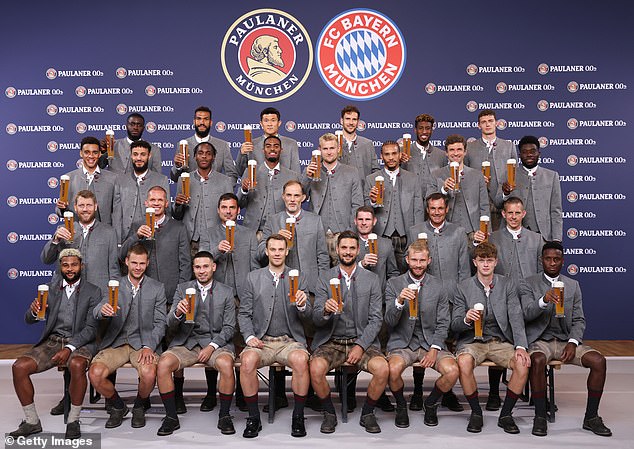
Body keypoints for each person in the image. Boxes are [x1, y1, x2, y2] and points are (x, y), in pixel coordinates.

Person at [520, 241, 611, 437]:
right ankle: (540, 416)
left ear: (563, 261)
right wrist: (544, 300)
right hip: (540, 340)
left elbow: (579, 319)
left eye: (556, 259)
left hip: (564, 341)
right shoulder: (529, 283)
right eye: (548, 259)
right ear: (541, 260)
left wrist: (572, 342)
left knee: (599, 361)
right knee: (536, 360)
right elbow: (526, 314)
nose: (552, 263)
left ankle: (591, 417)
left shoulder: (573, 285)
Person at [9, 249, 101, 440]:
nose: (70, 269)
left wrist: (70, 348)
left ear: (81, 266)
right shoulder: (50, 289)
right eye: (65, 265)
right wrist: (34, 312)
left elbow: (91, 329)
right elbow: (28, 319)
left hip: (80, 342)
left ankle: (73, 420)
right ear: (60, 266)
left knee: (76, 365)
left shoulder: (93, 291)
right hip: (53, 341)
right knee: (19, 367)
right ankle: (32, 421)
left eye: (74, 264)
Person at [310, 231, 388, 434]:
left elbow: (376, 319)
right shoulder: (324, 278)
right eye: (343, 247)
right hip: (332, 340)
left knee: (382, 369)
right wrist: (325, 310)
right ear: (337, 250)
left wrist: (361, 345)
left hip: (360, 339)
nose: (347, 252)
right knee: (316, 368)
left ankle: (368, 413)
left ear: (358, 250)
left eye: (352, 248)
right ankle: (329, 413)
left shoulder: (371, 279)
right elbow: (316, 319)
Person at [451, 242, 530, 434]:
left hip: (499, 341)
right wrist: (466, 319)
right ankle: (476, 413)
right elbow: (454, 324)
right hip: (473, 342)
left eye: (489, 260)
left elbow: (516, 317)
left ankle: (506, 415)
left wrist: (521, 346)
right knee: (463, 362)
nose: (485, 264)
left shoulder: (507, 284)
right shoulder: (463, 287)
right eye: (481, 260)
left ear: (496, 262)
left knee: (522, 363)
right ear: (475, 262)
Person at [238, 235, 312, 438]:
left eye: (281, 249)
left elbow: (308, 315)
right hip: (263, 340)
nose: (277, 253)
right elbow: (244, 313)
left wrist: (303, 305)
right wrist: (248, 336)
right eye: (273, 249)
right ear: (267, 252)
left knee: (300, 360)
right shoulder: (254, 277)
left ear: (287, 251)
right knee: (246, 361)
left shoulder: (299, 277)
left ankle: (298, 416)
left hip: (289, 340)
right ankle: (253, 418)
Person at [156, 251, 237, 436]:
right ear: (193, 269)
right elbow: (169, 323)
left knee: (226, 364)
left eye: (205, 266)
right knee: (163, 364)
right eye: (198, 267)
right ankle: (170, 417)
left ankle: (224, 415)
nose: (202, 271)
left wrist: (212, 346)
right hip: (187, 342)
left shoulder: (226, 291)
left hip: (214, 342)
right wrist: (177, 312)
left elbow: (230, 327)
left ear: (213, 267)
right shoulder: (182, 288)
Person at [88, 244, 167, 429]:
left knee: (148, 374)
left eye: (141, 263)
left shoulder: (157, 288)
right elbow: (96, 310)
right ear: (126, 262)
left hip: (143, 343)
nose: (137, 267)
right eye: (134, 263)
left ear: (147, 263)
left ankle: (139, 406)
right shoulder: (114, 285)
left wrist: (149, 346)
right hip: (117, 342)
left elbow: (160, 323)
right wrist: (103, 311)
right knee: (95, 374)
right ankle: (118, 406)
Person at [406, 192, 469, 413]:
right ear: (427, 209)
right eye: (432, 208)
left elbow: (464, 268)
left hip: (451, 297)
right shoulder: (415, 231)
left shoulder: (459, 232)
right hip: (423, 296)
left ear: (447, 209)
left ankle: (447, 392)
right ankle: (416, 391)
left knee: (446, 344)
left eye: (440, 208)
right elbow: (411, 265)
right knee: (420, 338)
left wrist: (462, 297)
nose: (436, 212)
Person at [385, 241, 459, 428]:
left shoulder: (439, 285)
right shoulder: (394, 284)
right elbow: (389, 322)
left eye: (422, 260)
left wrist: (435, 348)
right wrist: (399, 301)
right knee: (392, 370)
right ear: (407, 260)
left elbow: (444, 322)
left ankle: (431, 403)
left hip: (430, 342)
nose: (418, 264)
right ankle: (401, 406)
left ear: (429, 261)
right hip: (403, 343)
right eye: (415, 260)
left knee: (452, 371)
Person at [199, 193, 259, 412]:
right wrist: (217, 250)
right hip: (218, 296)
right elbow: (201, 262)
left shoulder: (249, 234)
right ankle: (210, 393)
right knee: (215, 340)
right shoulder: (208, 234)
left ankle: (243, 393)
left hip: (244, 295)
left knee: (242, 342)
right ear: (218, 210)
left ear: (238, 211)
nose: (228, 211)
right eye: (224, 207)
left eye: (232, 207)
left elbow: (254, 266)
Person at [484, 197, 543, 411]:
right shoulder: (494, 237)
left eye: (517, 213)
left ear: (524, 214)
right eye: (510, 213)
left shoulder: (536, 239)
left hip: (527, 297)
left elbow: (540, 272)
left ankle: (532, 391)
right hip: (501, 296)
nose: (514, 217)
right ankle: (493, 392)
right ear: (503, 214)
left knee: (528, 342)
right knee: (499, 340)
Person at [120, 186, 191, 303]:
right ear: (146, 203)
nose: (156, 203)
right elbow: (122, 255)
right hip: (142, 294)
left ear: (167, 203)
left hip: (170, 295)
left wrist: (180, 291)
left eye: (160, 200)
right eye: (153, 200)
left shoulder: (179, 227)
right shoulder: (137, 226)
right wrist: (136, 236)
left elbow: (186, 264)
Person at [42, 190, 119, 298]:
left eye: (89, 205)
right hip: (67, 296)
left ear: (95, 207)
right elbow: (46, 259)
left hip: (98, 296)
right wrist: (55, 240)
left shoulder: (109, 232)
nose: (85, 209)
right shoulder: (63, 229)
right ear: (75, 207)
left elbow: (113, 269)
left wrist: (109, 298)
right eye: (81, 205)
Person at [259, 180, 329, 296]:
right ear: (283, 197)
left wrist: (321, 286)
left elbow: (322, 257)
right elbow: (260, 253)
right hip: (280, 286)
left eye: (296, 195)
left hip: (310, 286)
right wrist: (275, 238)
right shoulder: (272, 221)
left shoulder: (315, 220)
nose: (292, 200)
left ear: (303, 198)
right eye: (289, 195)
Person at [303, 132, 363, 263]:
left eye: (332, 148)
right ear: (319, 150)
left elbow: (357, 204)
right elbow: (300, 197)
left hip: (342, 234)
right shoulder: (311, 170)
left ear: (338, 149)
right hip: (318, 234)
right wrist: (307, 176)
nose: (329, 152)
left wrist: (349, 233)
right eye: (325, 148)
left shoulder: (351, 172)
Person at [365, 141, 425, 273]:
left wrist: (417, 239)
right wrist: (373, 202)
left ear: (400, 155)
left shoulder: (413, 179)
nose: (391, 157)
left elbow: (418, 210)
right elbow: (365, 211)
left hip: (406, 236)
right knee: (380, 273)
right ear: (381, 156)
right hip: (381, 235)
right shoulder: (371, 179)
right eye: (387, 154)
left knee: (406, 274)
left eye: (394, 153)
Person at [172, 141, 235, 255]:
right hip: (189, 240)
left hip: (215, 240)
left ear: (214, 157)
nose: (204, 156)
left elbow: (230, 213)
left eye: (208, 153)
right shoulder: (184, 179)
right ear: (195, 156)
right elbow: (177, 215)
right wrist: (177, 205)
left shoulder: (225, 181)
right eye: (200, 153)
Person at [498, 135, 563, 241]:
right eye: (525, 152)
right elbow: (497, 203)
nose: (529, 155)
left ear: (539, 154)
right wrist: (505, 193)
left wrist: (556, 239)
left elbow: (556, 211)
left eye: (533, 151)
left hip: (543, 236)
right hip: (513, 236)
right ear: (520, 155)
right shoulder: (509, 174)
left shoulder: (552, 176)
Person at [428, 134, 488, 242]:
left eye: (459, 149)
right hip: (446, 232)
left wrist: (485, 233)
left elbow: (484, 206)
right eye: (452, 150)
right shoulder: (436, 175)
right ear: (446, 153)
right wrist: (443, 190)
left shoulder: (477, 175)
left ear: (465, 152)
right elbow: (428, 202)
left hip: (473, 233)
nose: (455, 153)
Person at [465, 109, 517, 230]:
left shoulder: (509, 146)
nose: (487, 124)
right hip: (477, 204)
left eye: (490, 121)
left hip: (504, 202)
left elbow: (516, 174)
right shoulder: (470, 147)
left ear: (496, 123)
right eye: (483, 122)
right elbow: (465, 174)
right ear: (479, 126)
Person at [237, 135, 300, 235]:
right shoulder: (250, 172)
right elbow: (239, 204)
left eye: (276, 146)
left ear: (281, 150)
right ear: (263, 150)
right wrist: (244, 190)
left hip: (279, 232)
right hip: (252, 232)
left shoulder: (291, 176)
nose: (272, 149)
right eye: (268, 146)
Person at [112, 140, 170, 242]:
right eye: (135, 154)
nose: (139, 158)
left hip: (154, 237)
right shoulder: (120, 180)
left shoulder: (161, 180)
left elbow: (167, 211)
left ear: (149, 156)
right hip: (127, 238)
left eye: (143, 154)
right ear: (131, 156)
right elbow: (117, 214)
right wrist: (117, 241)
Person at [55, 136, 117, 225]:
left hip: (105, 235)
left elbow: (118, 212)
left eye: (95, 152)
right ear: (81, 153)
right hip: (77, 235)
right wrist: (61, 207)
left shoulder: (112, 179)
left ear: (100, 154)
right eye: (87, 152)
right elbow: (59, 210)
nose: (91, 156)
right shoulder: (68, 178)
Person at [170, 106, 239, 183]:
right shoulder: (182, 145)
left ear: (211, 123)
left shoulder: (222, 146)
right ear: (194, 121)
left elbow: (232, 174)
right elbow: (175, 178)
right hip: (190, 193)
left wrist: (225, 191)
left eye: (206, 119)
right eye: (199, 119)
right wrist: (177, 166)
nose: (202, 122)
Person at [236, 107, 301, 174]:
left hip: (284, 183)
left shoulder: (290, 143)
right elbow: (240, 172)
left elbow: (296, 173)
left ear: (279, 123)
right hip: (258, 183)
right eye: (266, 121)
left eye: (273, 120)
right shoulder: (251, 144)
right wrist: (242, 154)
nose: (269, 124)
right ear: (261, 124)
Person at [400, 113, 448, 195]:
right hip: (410, 203)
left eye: (428, 128)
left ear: (432, 130)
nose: (424, 132)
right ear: (415, 130)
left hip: (434, 203)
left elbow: (444, 181)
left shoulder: (441, 155)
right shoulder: (402, 152)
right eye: (421, 128)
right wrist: (399, 162)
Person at [338, 105, 380, 184]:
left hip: (362, 193)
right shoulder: (331, 143)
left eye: (354, 119)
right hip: (338, 194)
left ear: (358, 122)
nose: (351, 123)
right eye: (347, 119)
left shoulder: (367, 144)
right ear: (341, 121)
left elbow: (375, 171)